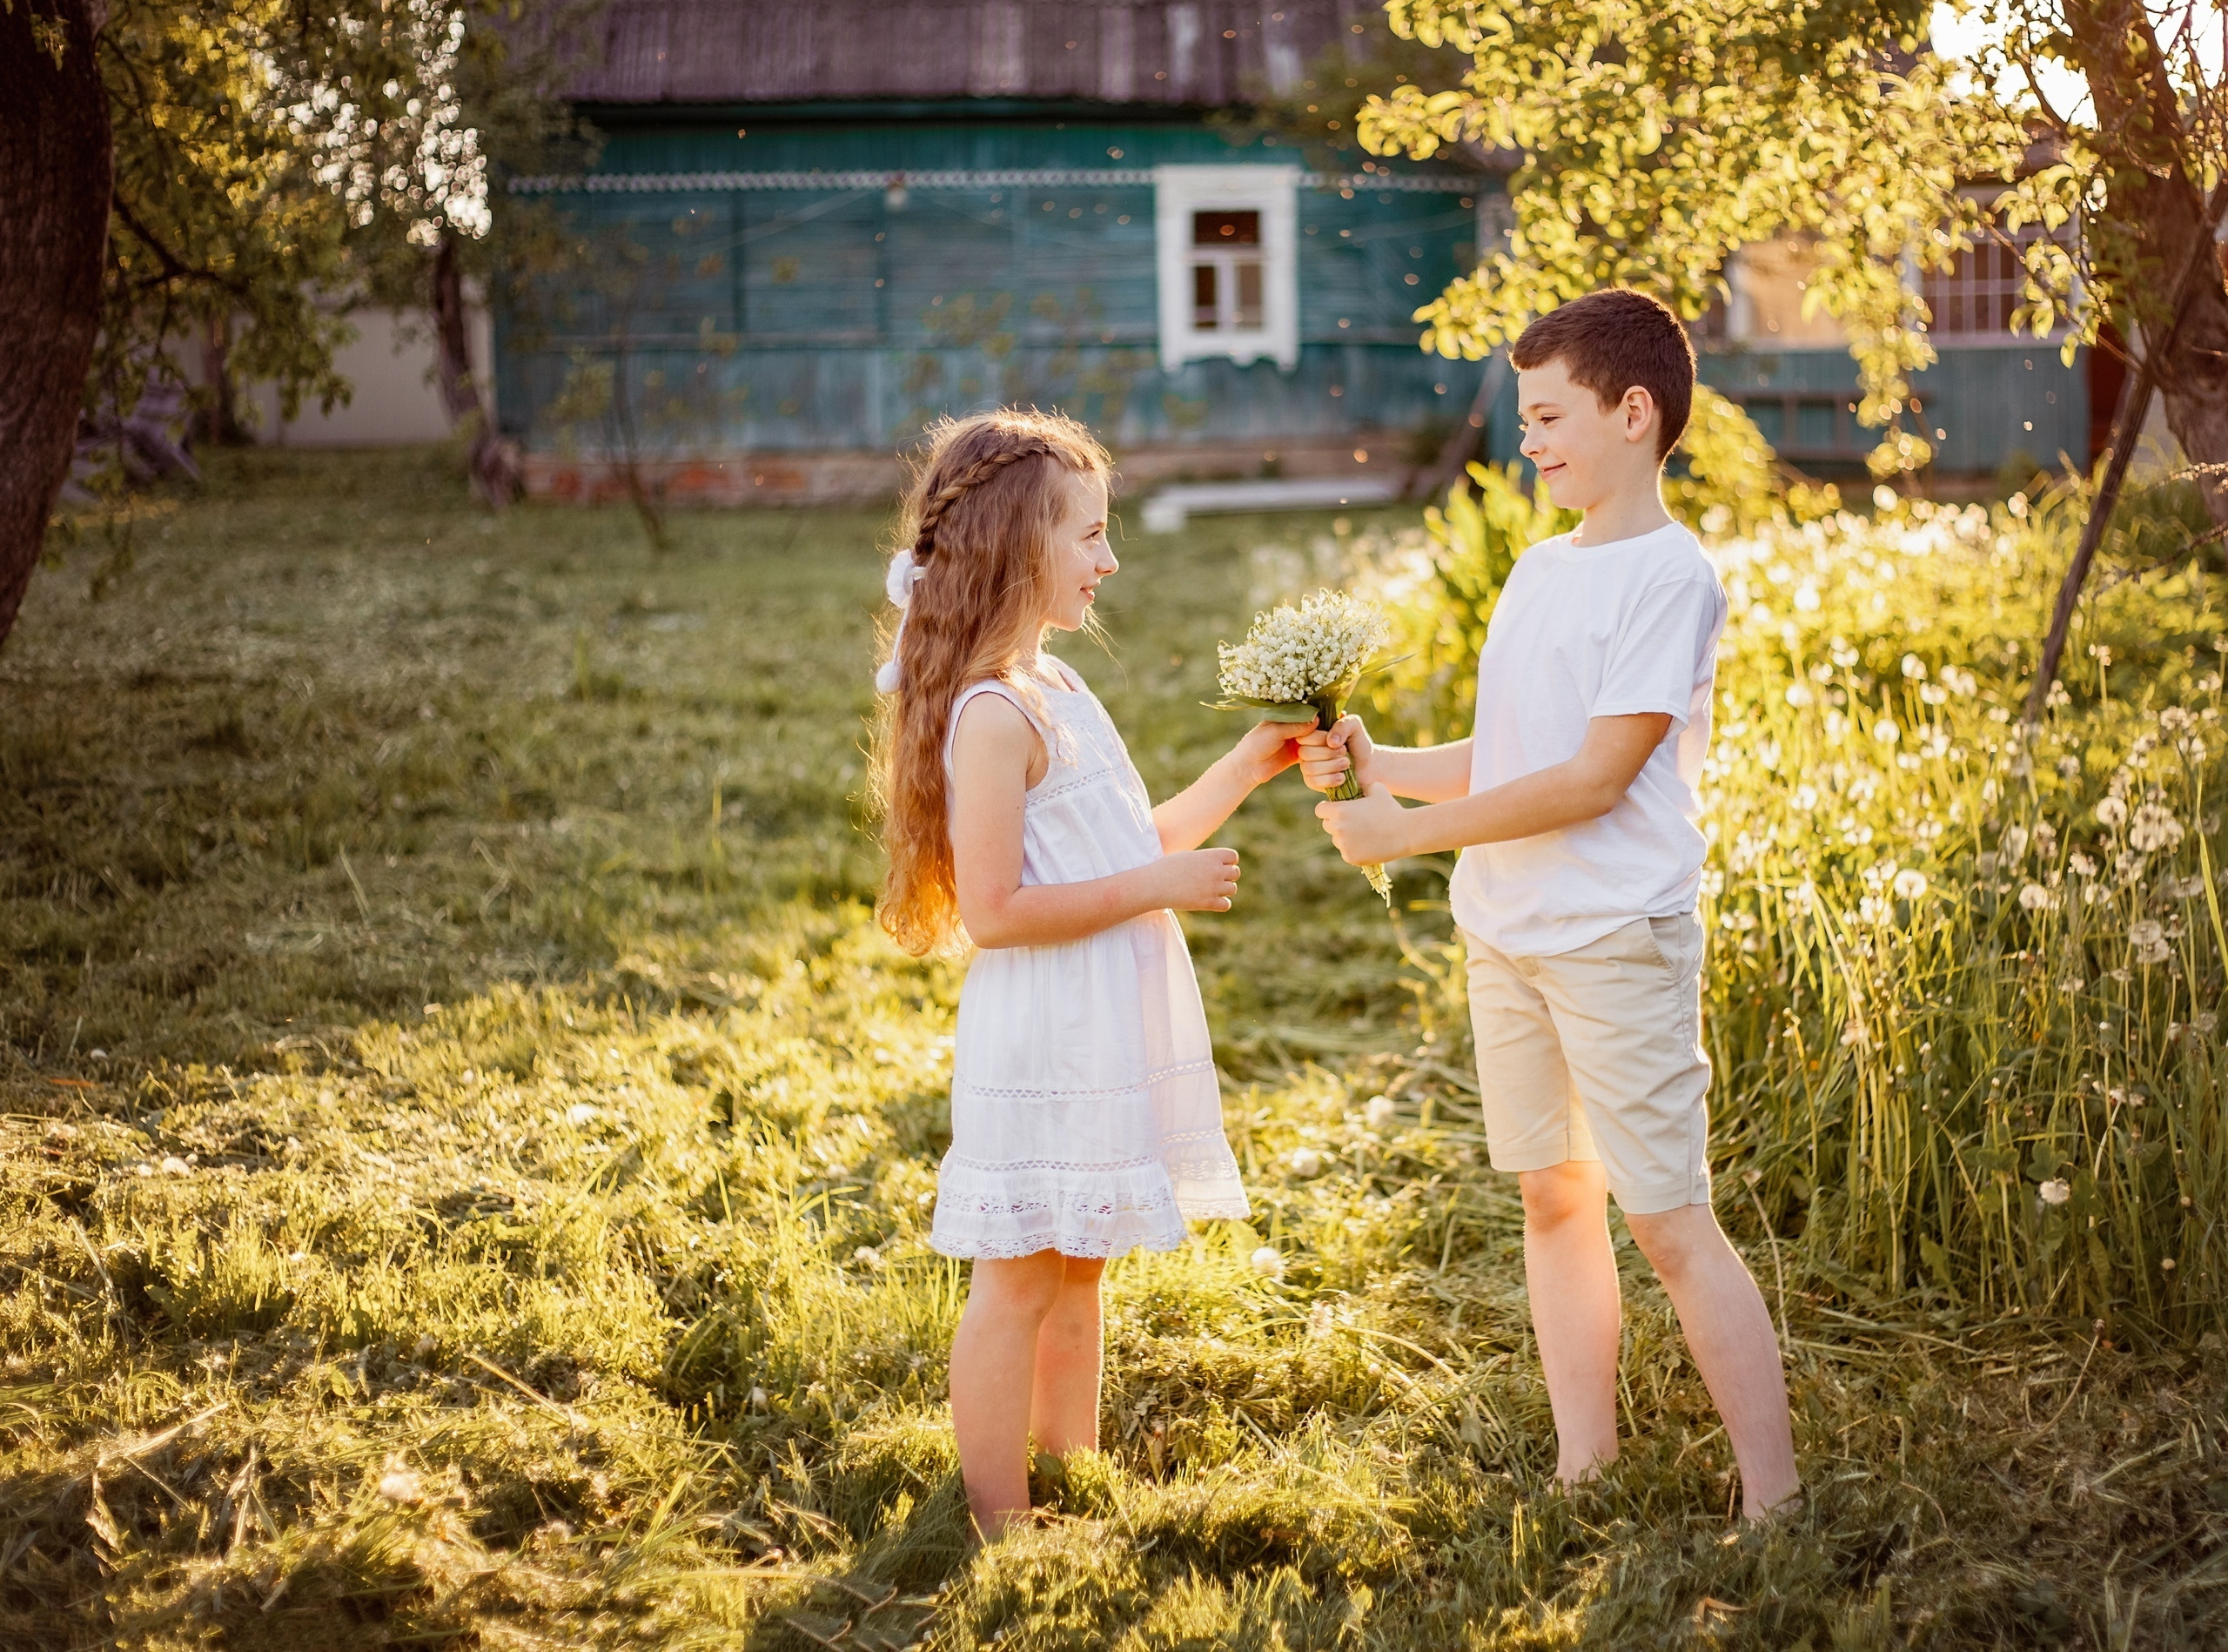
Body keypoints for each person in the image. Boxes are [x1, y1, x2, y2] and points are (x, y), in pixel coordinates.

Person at [1298, 290, 1800, 1519]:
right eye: (1525, 418)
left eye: (1549, 415)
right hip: (1507, 935)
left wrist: (1404, 835)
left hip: (1614, 938)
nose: (1529, 440)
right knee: (1552, 1194)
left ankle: (1774, 1499)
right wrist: (1381, 763)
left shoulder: (1671, 577)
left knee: (1670, 1218)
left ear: (1634, 413)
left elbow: (1590, 777)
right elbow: (1515, 747)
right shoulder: (1536, 568)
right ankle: (1588, 1460)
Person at [870, 407, 1307, 1540]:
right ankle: (1001, 1524)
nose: (1110, 560)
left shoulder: (1059, 688)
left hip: (1098, 1023)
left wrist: (1248, 764)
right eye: (1091, 537)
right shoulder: (990, 715)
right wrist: (1158, 891)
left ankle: (1075, 1477)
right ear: (1023, 547)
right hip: (1043, 1027)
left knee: (1081, 1268)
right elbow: (1000, 909)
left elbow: (1126, 840)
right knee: (1016, 1281)